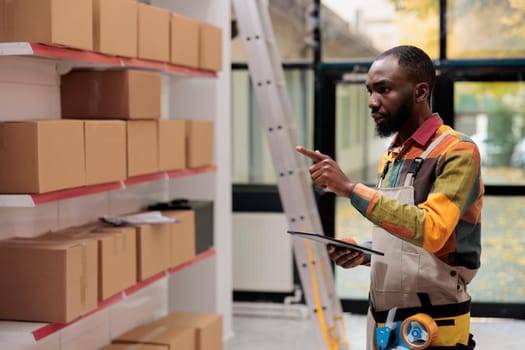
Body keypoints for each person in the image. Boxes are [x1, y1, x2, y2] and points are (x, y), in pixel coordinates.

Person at [296, 45, 483, 349]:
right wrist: (365, 253)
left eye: (384, 90)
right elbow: (403, 237)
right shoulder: (393, 156)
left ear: (420, 91)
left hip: (432, 321)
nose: (372, 102)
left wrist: (349, 188)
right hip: (383, 318)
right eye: (369, 91)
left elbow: (433, 231)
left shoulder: (458, 151)